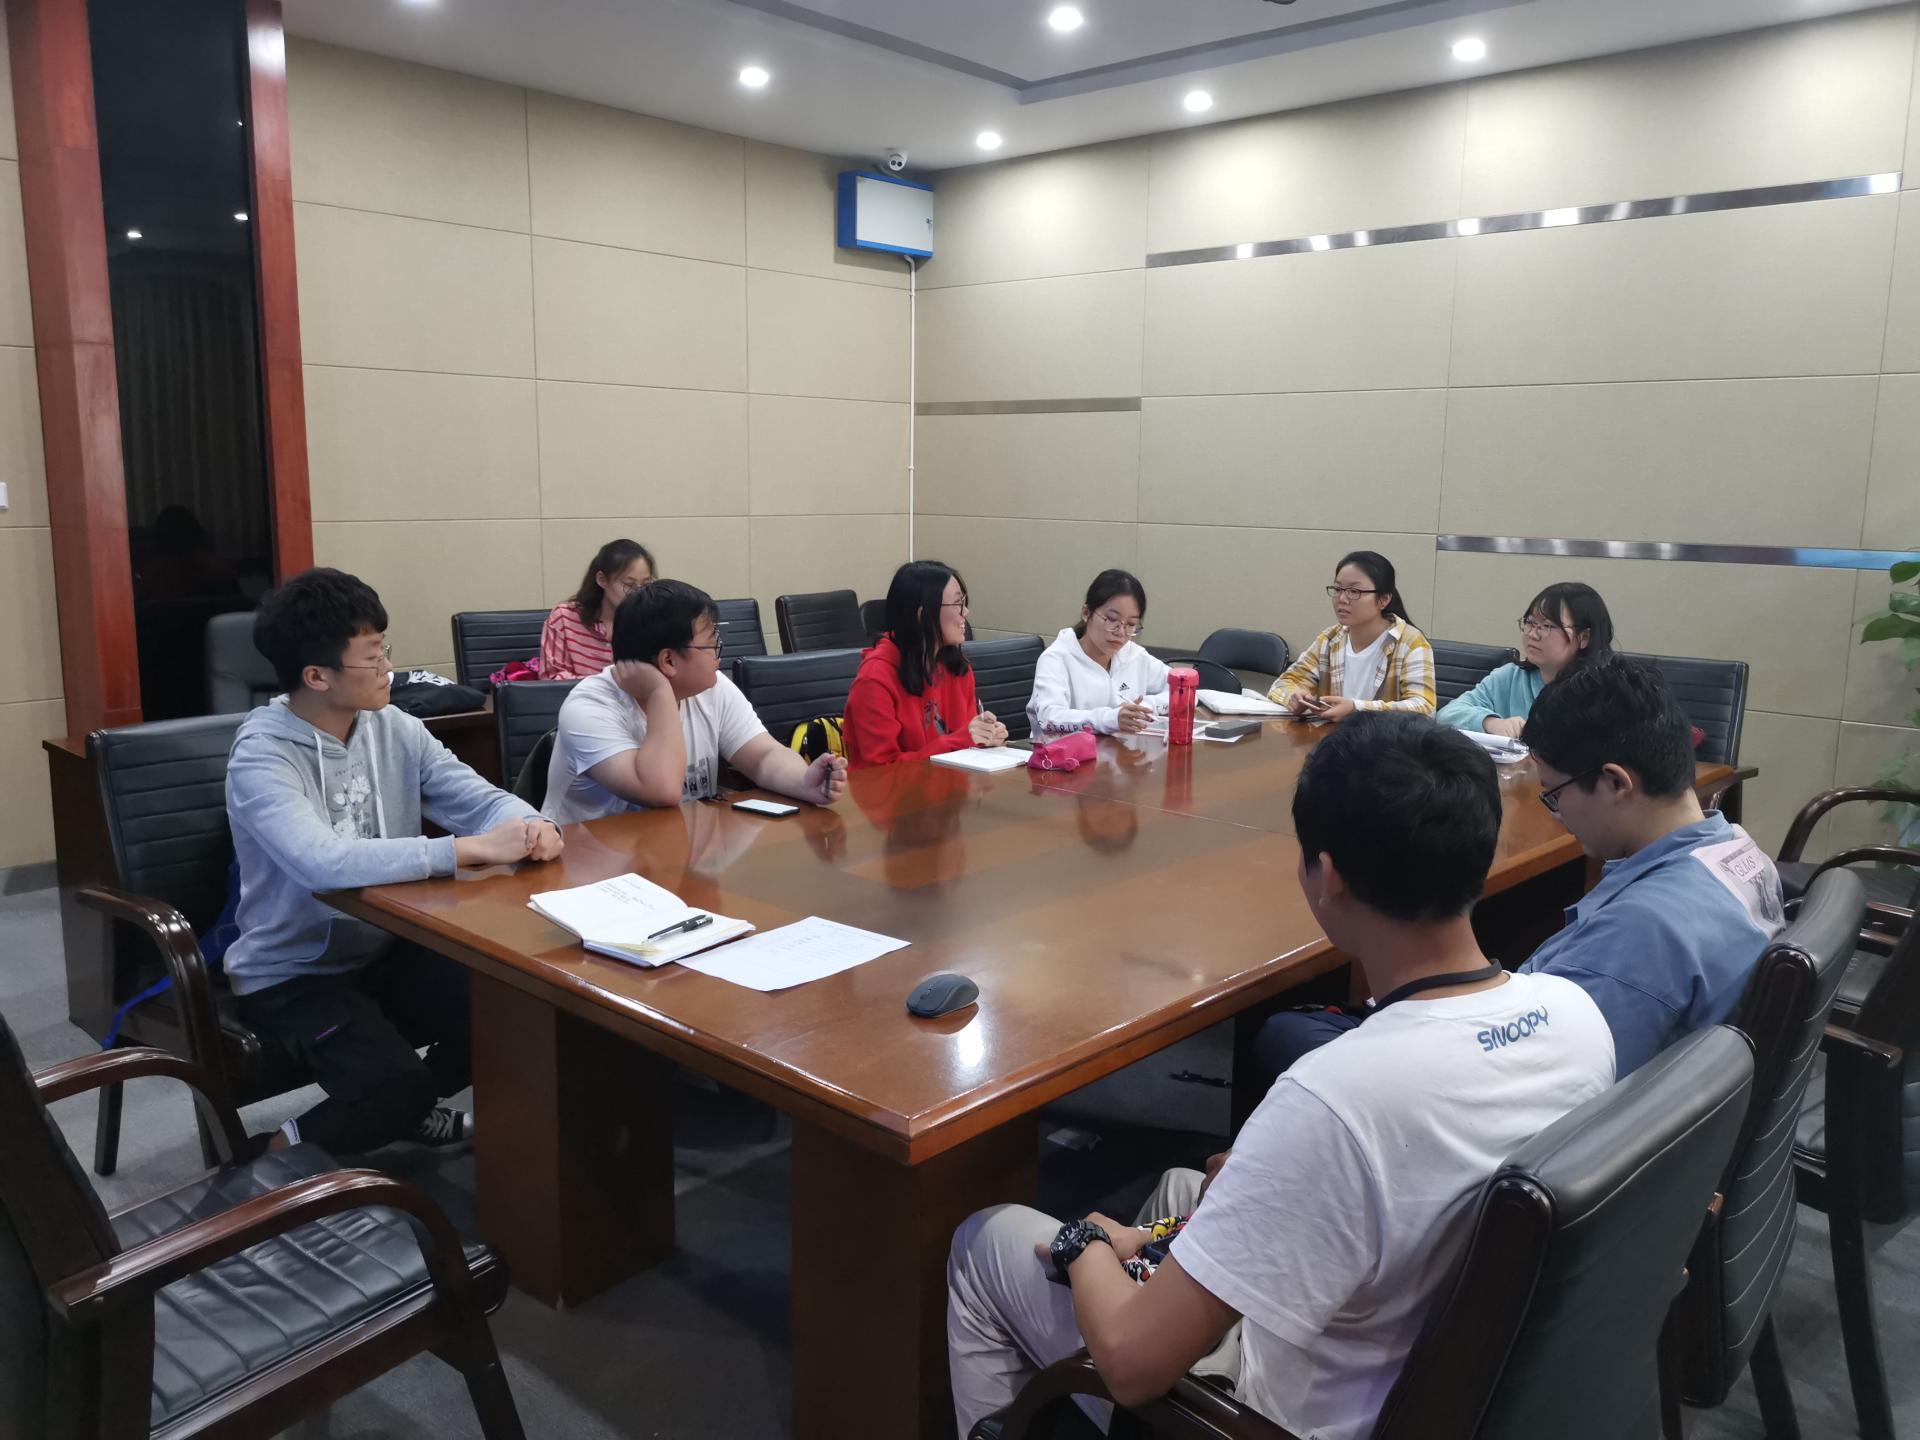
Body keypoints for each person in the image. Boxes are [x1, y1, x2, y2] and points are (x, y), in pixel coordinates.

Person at [947, 714, 1614, 1439]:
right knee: (1181, 1187)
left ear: (1329, 877)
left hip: (1265, 1413)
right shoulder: (1577, 1015)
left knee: (986, 1239)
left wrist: (1085, 1245)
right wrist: (1269, 1171)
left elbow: (1132, 1367)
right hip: (1439, 1372)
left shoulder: (1334, 1097)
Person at [226, 568, 565, 1154]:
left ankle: (402, 1108)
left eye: (386, 650)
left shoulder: (394, 727)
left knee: (515, 1010)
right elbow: (321, 862)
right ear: (317, 676)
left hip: (387, 944)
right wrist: (463, 850)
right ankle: (272, 1152)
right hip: (292, 973)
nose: (390, 668)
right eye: (373, 657)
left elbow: (478, 798)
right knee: (395, 1089)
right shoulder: (261, 756)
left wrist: (534, 824)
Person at [1517, 656, 1783, 1076]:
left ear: (1616, 782)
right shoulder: (1740, 850)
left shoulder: (1639, 933)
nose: (1557, 814)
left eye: (1554, 794)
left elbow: (1542, 1079)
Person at [542, 579, 847, 825]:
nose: (718, 653)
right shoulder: (589, 708)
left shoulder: (713, 687)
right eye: (712, 644)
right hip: (591, 870)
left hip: (674, 856)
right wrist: (660, 693)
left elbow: (763, 756)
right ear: (668, 660)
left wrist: (803, 781)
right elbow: (661, 790)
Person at [844, 560, 1007, 768]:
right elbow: (882, 770)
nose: (965, 612)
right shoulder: (874, 679)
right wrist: (960, 741)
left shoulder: (957, 667)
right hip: (894, 789)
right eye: (957, 604)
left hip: (950, 785)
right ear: (923, 615)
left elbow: (965, 744)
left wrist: (985, 738)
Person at [1267, 551, 1435, 718]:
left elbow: (1425, 708)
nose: (1342, 599)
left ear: (1383, 600)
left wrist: (1356, 708)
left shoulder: (1410, 642)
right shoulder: (1329, 639)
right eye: (1337, 589)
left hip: (1384, 736)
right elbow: (1282, 685)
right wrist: (1293, 697)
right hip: (1329, 733)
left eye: (1354, 591)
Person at [1437, 581, 1614, 737]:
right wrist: (1490, 722)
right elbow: (1447, 714)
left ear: (1584, 637)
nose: (1532, 634)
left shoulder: (1602, 689)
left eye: (1547, 626)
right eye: (1530, 622)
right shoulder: (1511, 677)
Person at [1028, 569, 1170, 738]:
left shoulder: (1133, 655)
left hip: (1120, 752)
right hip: (1062, 753)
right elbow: (1049, 719)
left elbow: (1185, 690)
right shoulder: (1056, 659)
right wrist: (1110, 719)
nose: (1121, 632)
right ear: (1086, 613)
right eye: (1111, 619)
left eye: (1131, 624)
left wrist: (1146, 706)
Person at [540, 537, 655, 681]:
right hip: (575, 696)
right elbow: (551, 679)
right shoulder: (565, 617)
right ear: (602, 579)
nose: (637, 593)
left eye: (645, 585)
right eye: (629, 585)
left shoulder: (651, 620)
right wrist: (607, 685)